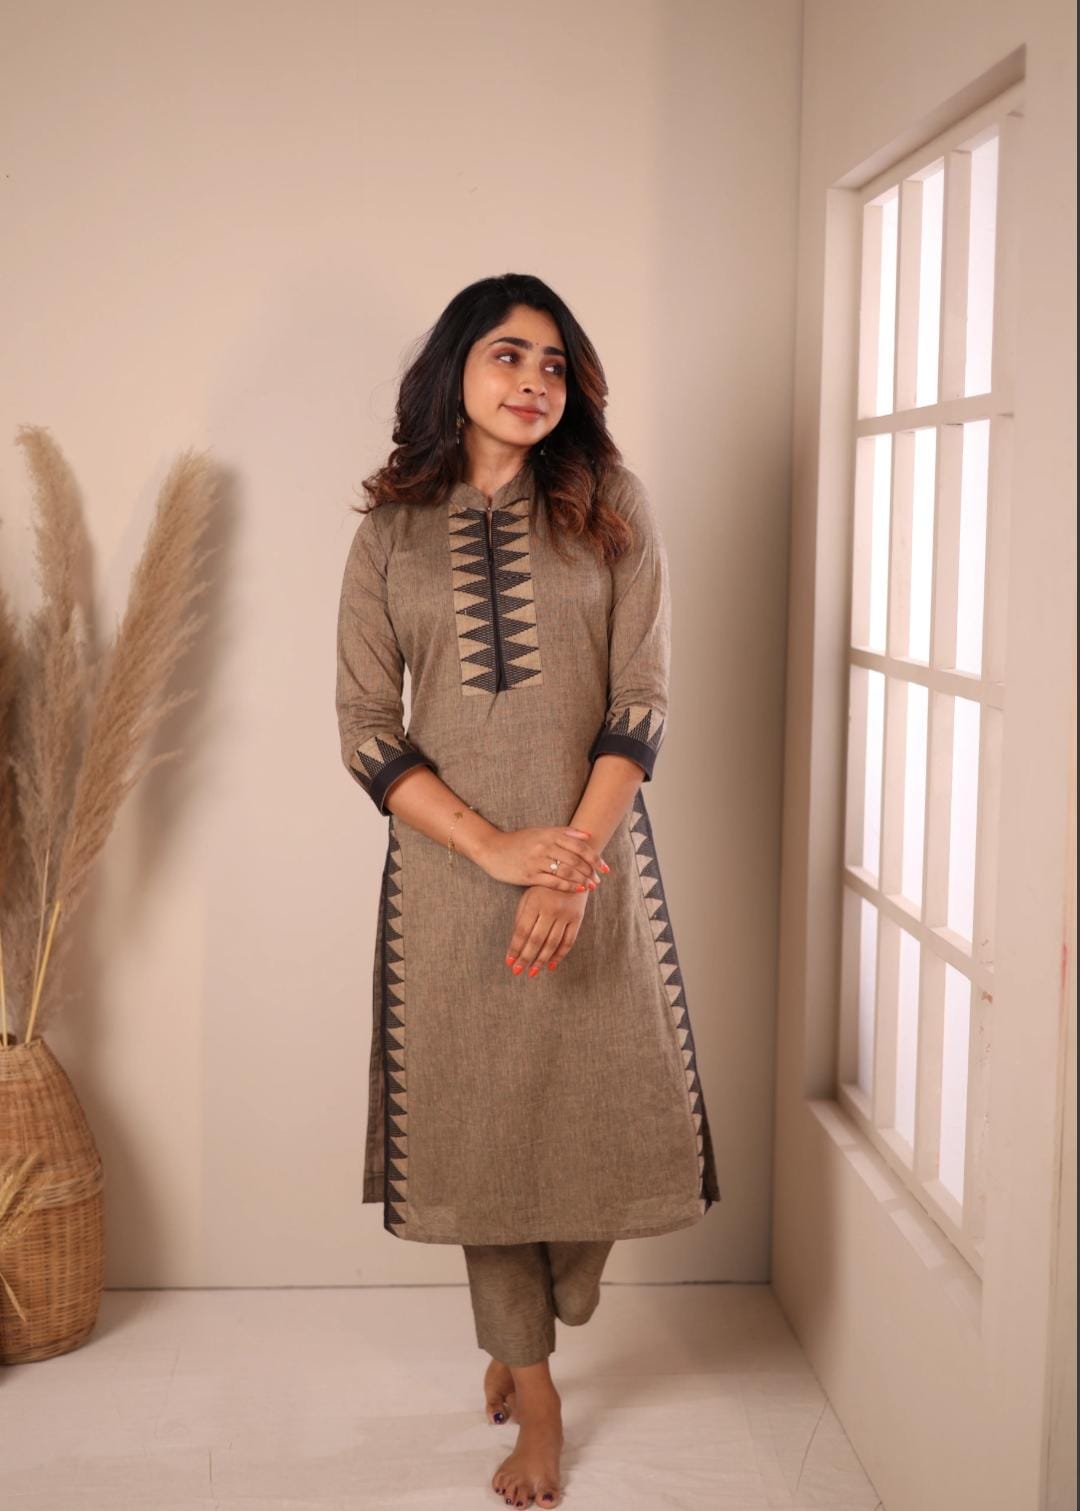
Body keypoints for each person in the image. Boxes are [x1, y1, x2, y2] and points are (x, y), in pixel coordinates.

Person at [335, 273, 721, 1508]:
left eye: (554, 364)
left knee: (611, 1117)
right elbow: (364, 725)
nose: (534, 381)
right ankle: (535, 1387)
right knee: (485, 1139)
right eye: (509, 355)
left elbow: (642, 697)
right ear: (455, 368)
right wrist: (497, 849)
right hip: (451, 886)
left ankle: (543, 1317)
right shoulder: (391, 532)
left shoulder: (611, 505)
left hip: (597, 866)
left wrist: (569, 864)